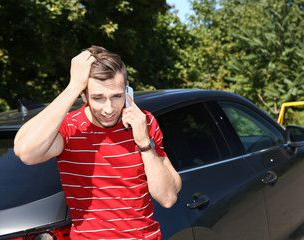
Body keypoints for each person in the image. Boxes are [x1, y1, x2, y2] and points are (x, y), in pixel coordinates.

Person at [14, 46, 182, 239]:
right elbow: (26, 152)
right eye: (98, 98)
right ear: (84, 95)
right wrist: (73, 86)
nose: (108, 109)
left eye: (117, 96)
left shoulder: (144, 121)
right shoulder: (71, 128)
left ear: (127, 89)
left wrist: (144, 143)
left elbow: (168, 197)